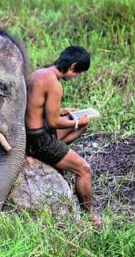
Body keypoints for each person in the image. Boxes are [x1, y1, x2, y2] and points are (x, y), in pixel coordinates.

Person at [25, 45, 101, 225]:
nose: (76, 77)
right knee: (84, 169)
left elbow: (36, 108)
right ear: (73, 66)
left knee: (84, 123)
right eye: (78, 73)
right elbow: (53, 123)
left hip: (29, 133)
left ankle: (59, 155)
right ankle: (90, 216)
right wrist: (76, 122)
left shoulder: (38, 74)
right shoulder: (55, 84)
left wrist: (66, 111)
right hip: (39, 139)